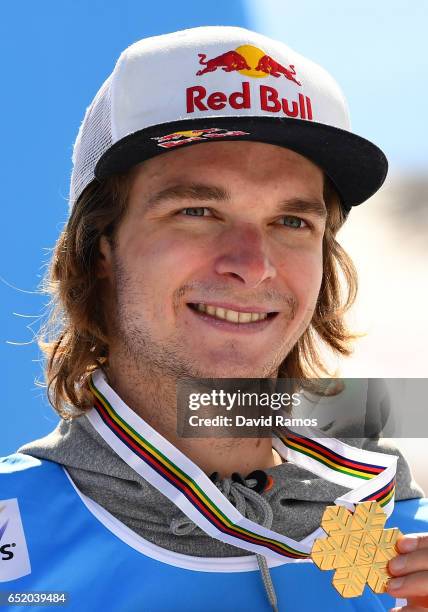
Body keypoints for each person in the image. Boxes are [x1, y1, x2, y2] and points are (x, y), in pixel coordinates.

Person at [1, 25, 427, 612]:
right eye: (197, 210)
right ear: (100, 245)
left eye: (292, 222)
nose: (253, 266)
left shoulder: (404, 538)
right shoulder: (14, 535)